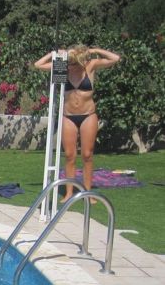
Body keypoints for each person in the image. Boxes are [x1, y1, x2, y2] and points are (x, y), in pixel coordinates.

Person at [34, 45, 121, 203]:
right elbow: (38, 65)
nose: (73, 65)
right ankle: (69, 193)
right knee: (69, 155)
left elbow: (115, 59)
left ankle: (87, 192)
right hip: (68, 116)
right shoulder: (63, 67)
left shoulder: (90, 66)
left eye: (75, 61)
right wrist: (54, 54)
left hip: (88, 115)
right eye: (71, 61)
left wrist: (96, 50)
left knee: (87, 155)